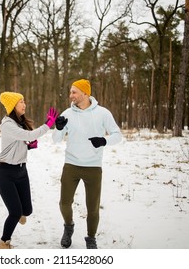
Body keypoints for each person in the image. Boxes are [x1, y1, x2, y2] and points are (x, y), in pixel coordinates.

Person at [52, 79, 122, 249]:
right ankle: (68, 227)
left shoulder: (103, 113)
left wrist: (103, 141)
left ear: (85, 93)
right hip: (71, 165)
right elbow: (56, 140)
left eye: (74, 92)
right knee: (64, 203)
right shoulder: (67, 113)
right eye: (70, 92)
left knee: (93, 208)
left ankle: (91, 238)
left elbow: (117, 135)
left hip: (93, 167)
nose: (71, 96)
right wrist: (59, 128)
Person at [0, 91, 59, 249]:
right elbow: (30, 135)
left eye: (24, 101)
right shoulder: (8, 124)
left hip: (22, 171)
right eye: (21, 102)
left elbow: (24, 139)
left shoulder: (19, 122)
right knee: (15, 212)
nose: (25, 104)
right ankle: (4, 242)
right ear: (13, 106)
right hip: (6, 173)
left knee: (27, 211)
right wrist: (47, 125)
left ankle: (19, 213)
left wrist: (27, 145)